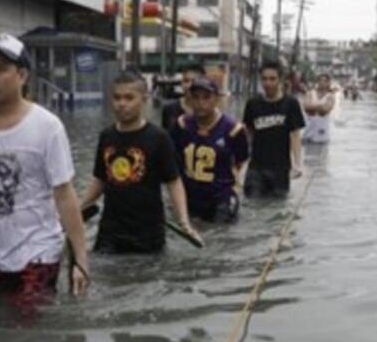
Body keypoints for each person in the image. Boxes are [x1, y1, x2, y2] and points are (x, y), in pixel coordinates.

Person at [0, 33, 89, 315]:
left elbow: (64, 195)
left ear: (22, 75)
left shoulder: (48, 127)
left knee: (26, 335)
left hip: (37, 254)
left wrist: (81, 259)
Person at [81, 72, 199, 253]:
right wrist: (77, 208)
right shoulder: (106, 136)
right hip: (110, 232)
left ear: (144, 99)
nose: (122, 104)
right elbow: (100, 180)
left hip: (148, 233)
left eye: (129, 98)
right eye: (117, 98)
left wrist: (184, 221)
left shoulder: (159, 138)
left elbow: (173, 182)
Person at [172, 77, 250, 222]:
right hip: (190, 196)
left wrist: (234, 187)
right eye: (196, 97)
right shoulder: (182, 125)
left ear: (217, 99)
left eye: (206, 97)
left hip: (220, 198)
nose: (201, 103)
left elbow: (242, 161)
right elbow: (173, 158)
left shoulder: (233, 129)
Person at [243, 61, 306, 197]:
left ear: (280, 80)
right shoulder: (252, 104)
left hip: (280, 169)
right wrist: (240, 162)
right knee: (252, 206)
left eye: (272, 79)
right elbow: (247, 134)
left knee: (277, 210)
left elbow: (295, 135)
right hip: (256, 168)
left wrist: (298, 164)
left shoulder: (291, 104)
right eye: (264, 79)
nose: (268, 83)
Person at [161, 63, 207, 132]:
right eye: (186, 81)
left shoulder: (208, 110)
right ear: (181, 83)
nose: (189, 85)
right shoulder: (169, 109)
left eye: (194, 81)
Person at [302, 72, 336, 144]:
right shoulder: (310, 93)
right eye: (320, 80)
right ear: (317, 82)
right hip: (307, 134)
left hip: (322, 136)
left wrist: (312, 107)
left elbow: (326, 110)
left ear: (328, 83)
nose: (322, 82)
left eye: (325, 81)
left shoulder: (330, 96)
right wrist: (320, 106)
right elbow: (305, 107)